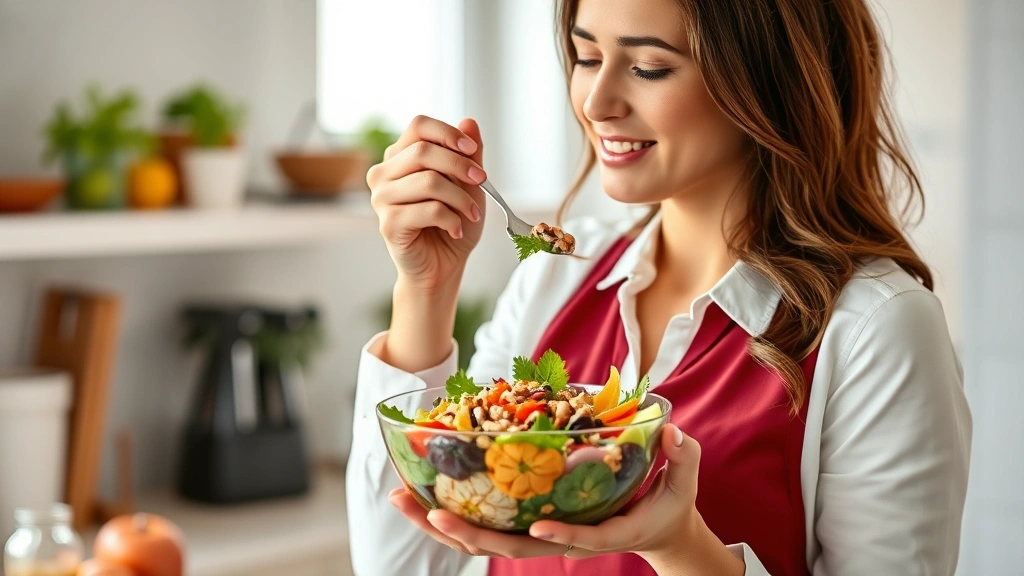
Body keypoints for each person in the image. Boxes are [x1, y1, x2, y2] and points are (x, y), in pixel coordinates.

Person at [346, 0, 972, 574]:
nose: (595, 102)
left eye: (648, 68)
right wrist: (426, 287)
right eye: (587, 57)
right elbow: (408, 564)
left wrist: (678, 546)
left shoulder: (877, 328)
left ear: (765, 81)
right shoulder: (553, 279)